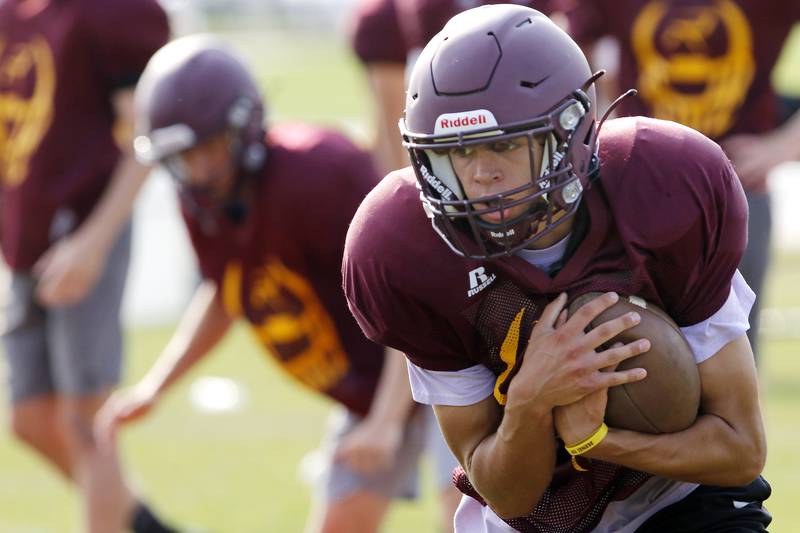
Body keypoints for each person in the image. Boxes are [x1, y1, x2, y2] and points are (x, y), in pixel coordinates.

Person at [343, 5, 769, 532]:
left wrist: (596, 439)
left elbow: (740, 449)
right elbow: (506, 494)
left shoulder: (663, 186)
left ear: (569, 131)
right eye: (456, 153)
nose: (479, 176)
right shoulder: (404, 247)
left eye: (502, 144)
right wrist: (529, 400)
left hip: (679, 501)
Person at [95, 35, 439, 533]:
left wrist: (387, 419)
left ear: (243, 125)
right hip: (371, 389)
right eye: (184, 158)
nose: (198, 170)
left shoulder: (317, 174)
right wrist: (157, 386)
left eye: (208, 149)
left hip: (440, 353)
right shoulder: (205, 203)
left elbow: (406, 291)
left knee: (464, 509)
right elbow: (227, 289)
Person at [0, 1, 173, 532]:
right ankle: (141, 523)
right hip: (25, 239)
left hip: (81, 229)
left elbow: (145, 137)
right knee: (29, 419)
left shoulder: (111, 10)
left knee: (87, 420)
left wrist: (95, 240)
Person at [556, 0, 800, 361]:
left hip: (737, 190)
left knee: (734, 362)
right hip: (636, 188)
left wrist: (780, 147)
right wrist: (603, 124)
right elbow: (562, 43)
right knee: (636, 363)